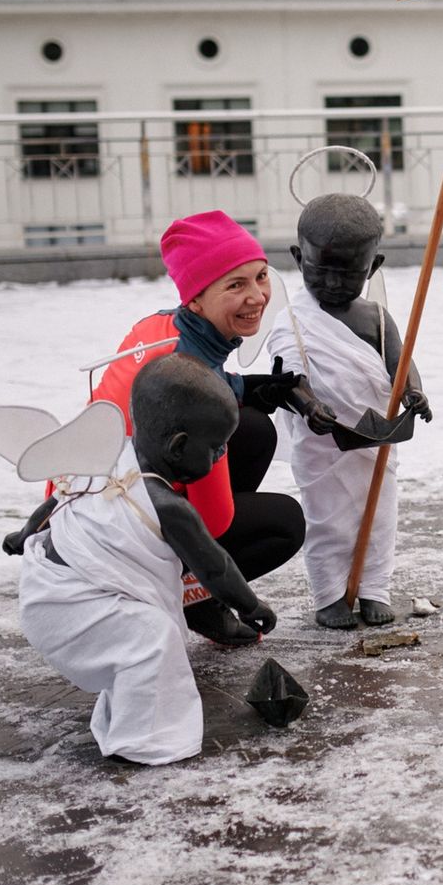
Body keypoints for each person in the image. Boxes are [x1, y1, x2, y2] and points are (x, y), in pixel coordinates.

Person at [79, 211, 333, 646]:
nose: (258, 297)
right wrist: (221, 573)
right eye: (235, 286)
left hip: (84, 500)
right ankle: (190, 594)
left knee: (253, 429)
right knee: (286, 523)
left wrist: (256, 388)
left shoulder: (158, 327)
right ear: (196, 299)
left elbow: (213, 379)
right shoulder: (190, 388)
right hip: (122, 532)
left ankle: (186, 578)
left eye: (260, 277)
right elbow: (214, 520)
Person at [17, 355, 277, 765]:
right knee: (152, 640)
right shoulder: (166, 505)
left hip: (43, 590)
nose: (221, 454)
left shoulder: (104, 458)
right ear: (179, 447)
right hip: (75, 609)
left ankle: (128, 711)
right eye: (215, 447)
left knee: (135, 636)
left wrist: (23, 535)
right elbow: (215, 567)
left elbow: (56, 499)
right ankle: (143, 739)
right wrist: (251, 605)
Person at [264, 193, 432, 630]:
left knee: (378, 517)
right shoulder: (293, 321)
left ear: (373, 267)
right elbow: (288, 376)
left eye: (349, 274)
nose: (335, 284)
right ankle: (330, 594)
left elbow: (400, 362)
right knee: (329, 521)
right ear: (299, 258)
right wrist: (307, 405)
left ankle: (375, 589)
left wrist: (414, 393)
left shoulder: (377, 317)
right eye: (322, 271)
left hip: (377, 441)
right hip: (322, 443)